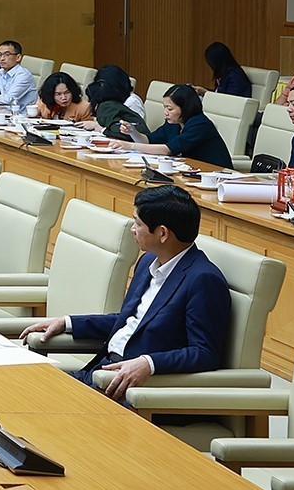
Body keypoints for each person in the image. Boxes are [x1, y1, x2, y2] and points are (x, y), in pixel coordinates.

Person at [21, 185, 232, 400]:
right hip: (100, 373)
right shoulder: (148, 261)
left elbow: (204, 353)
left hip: (134, 391)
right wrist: (67, 323)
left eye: (138, 223)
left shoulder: (203, 279)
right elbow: (130, 322)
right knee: (21, 388)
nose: (133, 229)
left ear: (162, 233)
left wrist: (149, 364)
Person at [122, 84, 233, 169]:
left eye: (170, 109)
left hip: (216, 173)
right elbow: (148, 141)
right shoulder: (174, 123)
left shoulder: (200, 124)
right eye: (164, 107)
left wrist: (129, 146)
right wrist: (133, 132)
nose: (165, 112)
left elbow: (167, 150)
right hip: (192, 171)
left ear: (185, 108)